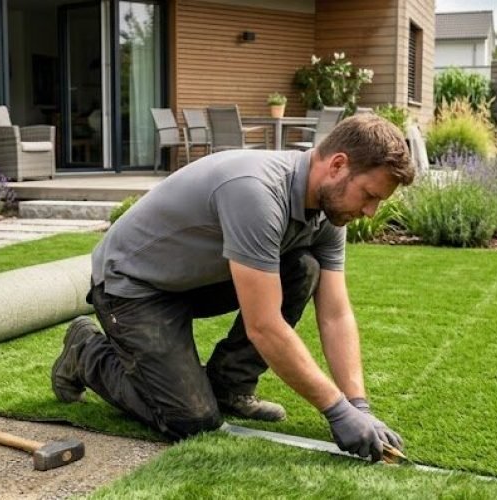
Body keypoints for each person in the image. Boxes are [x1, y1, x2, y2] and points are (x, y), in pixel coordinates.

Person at [51, 114, 414, 461]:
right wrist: (336, 411)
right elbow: (264, 326)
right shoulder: (256, 191)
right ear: (337, 166)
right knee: (192, 421)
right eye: (369, 195)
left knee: (303, 268)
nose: (370, 211)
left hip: (195, 279)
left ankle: (229, 386)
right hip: (132, 287)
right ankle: (85, 352)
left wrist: (358, 405)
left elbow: (335, 315)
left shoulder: (327, 214)